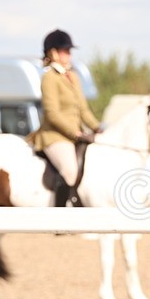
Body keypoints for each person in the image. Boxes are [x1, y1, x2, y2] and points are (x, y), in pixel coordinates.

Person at [33, 29, 100, 207]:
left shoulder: (73, 77)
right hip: (55, 137)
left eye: (69, 51)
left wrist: (97, 128)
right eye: (65, 51)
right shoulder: (49, 78)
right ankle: (61, 218)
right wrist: (75, 133)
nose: (69, 55)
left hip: (77, 135)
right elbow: (52, 113)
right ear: (53, 52)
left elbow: (83, 109)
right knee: (70, 170)